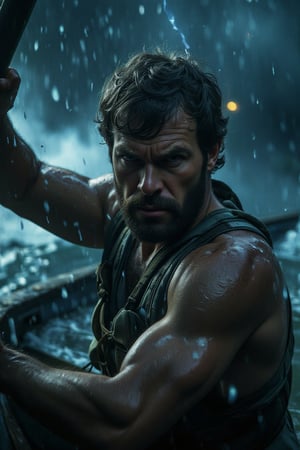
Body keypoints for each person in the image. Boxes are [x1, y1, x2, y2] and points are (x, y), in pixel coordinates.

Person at [0, 51, 299, 450]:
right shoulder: (120, 206)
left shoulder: (232, 267)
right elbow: (26, 184)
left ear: (211, 153)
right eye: (130, 159)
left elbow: (125, 421)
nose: (147, 185)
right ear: (111, 148)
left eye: (172, 159)